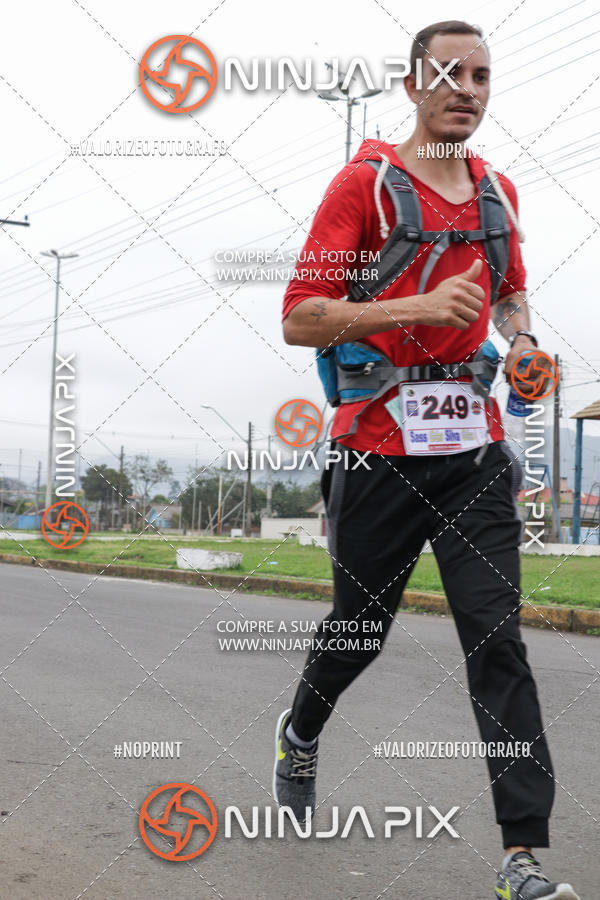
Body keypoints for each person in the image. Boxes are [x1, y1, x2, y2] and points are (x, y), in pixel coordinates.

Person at [273, 20, 580, 900]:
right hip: (377, 452)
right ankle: (300, 731)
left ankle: (522, 858)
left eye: (482, 75)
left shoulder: (498, 193)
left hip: (473, 451)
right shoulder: (361, 187)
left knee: (497, 639)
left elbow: (512, 290)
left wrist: (523, 344)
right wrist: (415, 304)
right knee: (357, 632)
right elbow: (300, 316)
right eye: (450, 73)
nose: (469, 89)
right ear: (411, 85)